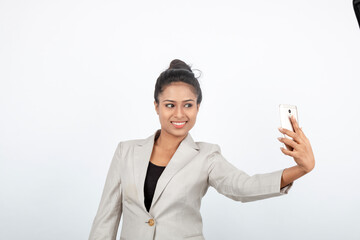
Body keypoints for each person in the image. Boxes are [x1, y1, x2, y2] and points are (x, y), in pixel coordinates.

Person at [88, 59, 315, 240]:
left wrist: (301, 169)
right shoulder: (126, 152)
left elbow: (243, 187)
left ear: (198, 107)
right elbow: (105, 218)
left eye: (188, 105)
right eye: (170, 105)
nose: (179, 114)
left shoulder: (207, 156)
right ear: (156, 106)